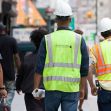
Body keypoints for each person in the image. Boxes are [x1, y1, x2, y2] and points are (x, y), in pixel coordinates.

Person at [33, 2, 89, 111]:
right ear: (70, 19)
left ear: (56, 20)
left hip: (51, 88)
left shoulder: (47, 39)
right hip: (71, 89)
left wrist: (35, 88)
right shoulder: (79, 39)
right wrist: (82, 88)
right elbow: (84, 68)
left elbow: (39, 66)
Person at [16, 28, 48, 111]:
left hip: (30, 90)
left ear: (33, 41)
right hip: (47, 90)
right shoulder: (50, 58)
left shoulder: (27, 57)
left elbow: (21, 74)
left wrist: (18, 85)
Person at [90, 17, 111, 111]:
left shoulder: (95, 49)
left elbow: (90, 69)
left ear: (101, 34)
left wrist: (92, 86)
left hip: (104, 92)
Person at [0, 23, 21, 110]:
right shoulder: (12, 40)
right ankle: (6, 106)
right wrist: (20, 71)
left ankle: (2, 106)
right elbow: (16, 57)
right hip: (10, 73)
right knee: (10, 91)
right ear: (5, 30)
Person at [74, 29, 88, 111]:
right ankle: (79, 106)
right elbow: (86, 62)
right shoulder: (85, 46)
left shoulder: (85, 46)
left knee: (81, 91)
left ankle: (79, 106)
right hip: (79, 73)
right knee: (82, 90)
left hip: (76, 72)